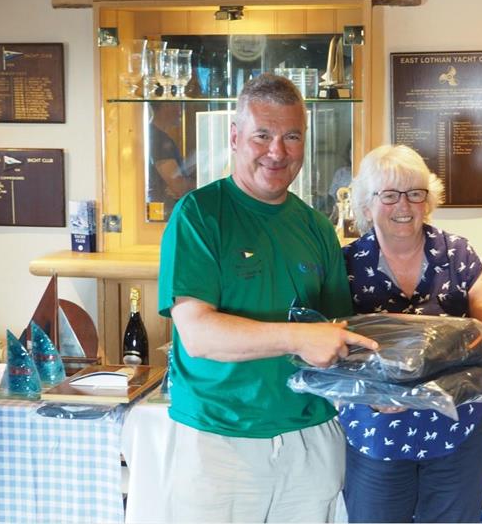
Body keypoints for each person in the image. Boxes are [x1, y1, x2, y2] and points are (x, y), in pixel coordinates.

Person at [157, 73, 378, 523]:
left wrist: (390, 387)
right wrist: (298, 338)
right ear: (235, 137)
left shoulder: (317, 227)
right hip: (220, 442)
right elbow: (198, 334)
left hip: (310, 439)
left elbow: (336, 339)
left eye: (291, 137)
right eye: (262, 135)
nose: (277, 151)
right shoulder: (199, 215)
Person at [339, 144, 482, 523]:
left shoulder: (458, 254)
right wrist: (372, 395)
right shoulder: (345, 264)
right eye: (390, 195)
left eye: (416, 193)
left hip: (456, 432)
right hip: (377, 432)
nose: (405, 205)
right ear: (367, 205)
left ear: (428, 201)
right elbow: (333, 347)